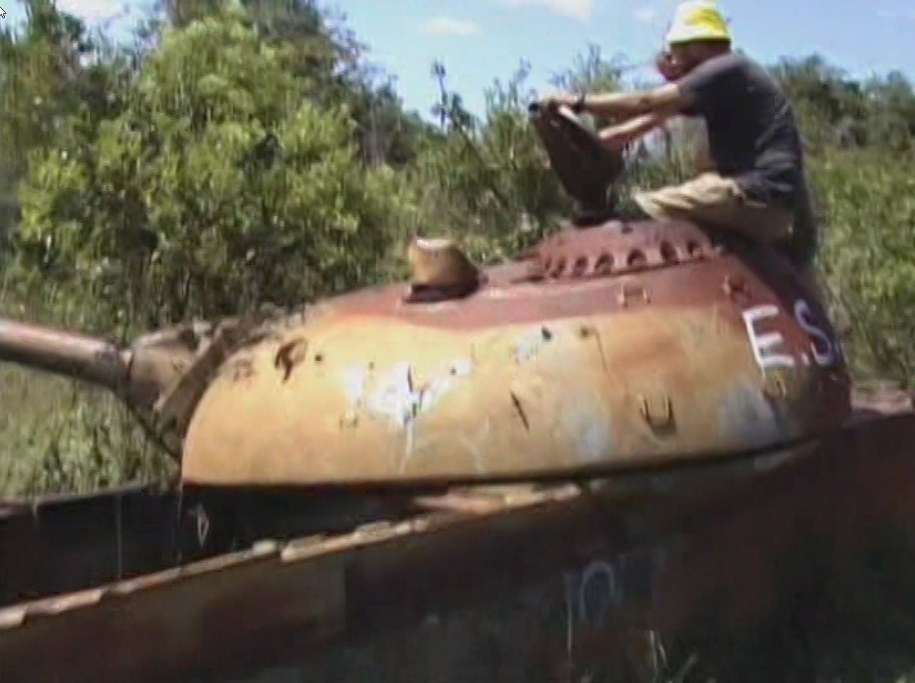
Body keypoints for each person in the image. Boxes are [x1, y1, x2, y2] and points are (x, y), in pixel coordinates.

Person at [543, 0, 821, 300]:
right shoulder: (728, 80)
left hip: (753, 194)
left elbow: (648, 101)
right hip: (773, 206)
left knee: (631, 211)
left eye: (676, 50)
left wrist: (578, 102)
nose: (673, 59)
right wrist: (581, 140)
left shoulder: (725, 69)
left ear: (693, 45)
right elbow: (640, 124)